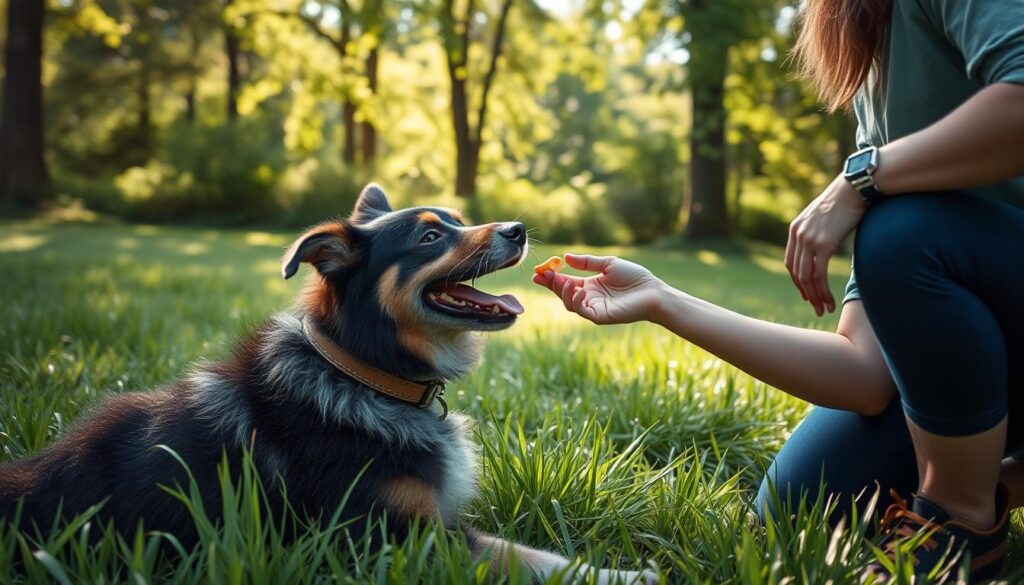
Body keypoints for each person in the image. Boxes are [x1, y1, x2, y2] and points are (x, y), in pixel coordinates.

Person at [533, 0, 1024, 580]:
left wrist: (860, 179)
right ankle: (996, 479)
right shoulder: (872, 60)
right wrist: (662, 302)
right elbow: (866, 376)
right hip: (988, 351)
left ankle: (960, 522)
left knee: (901, 232)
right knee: (796, 510)